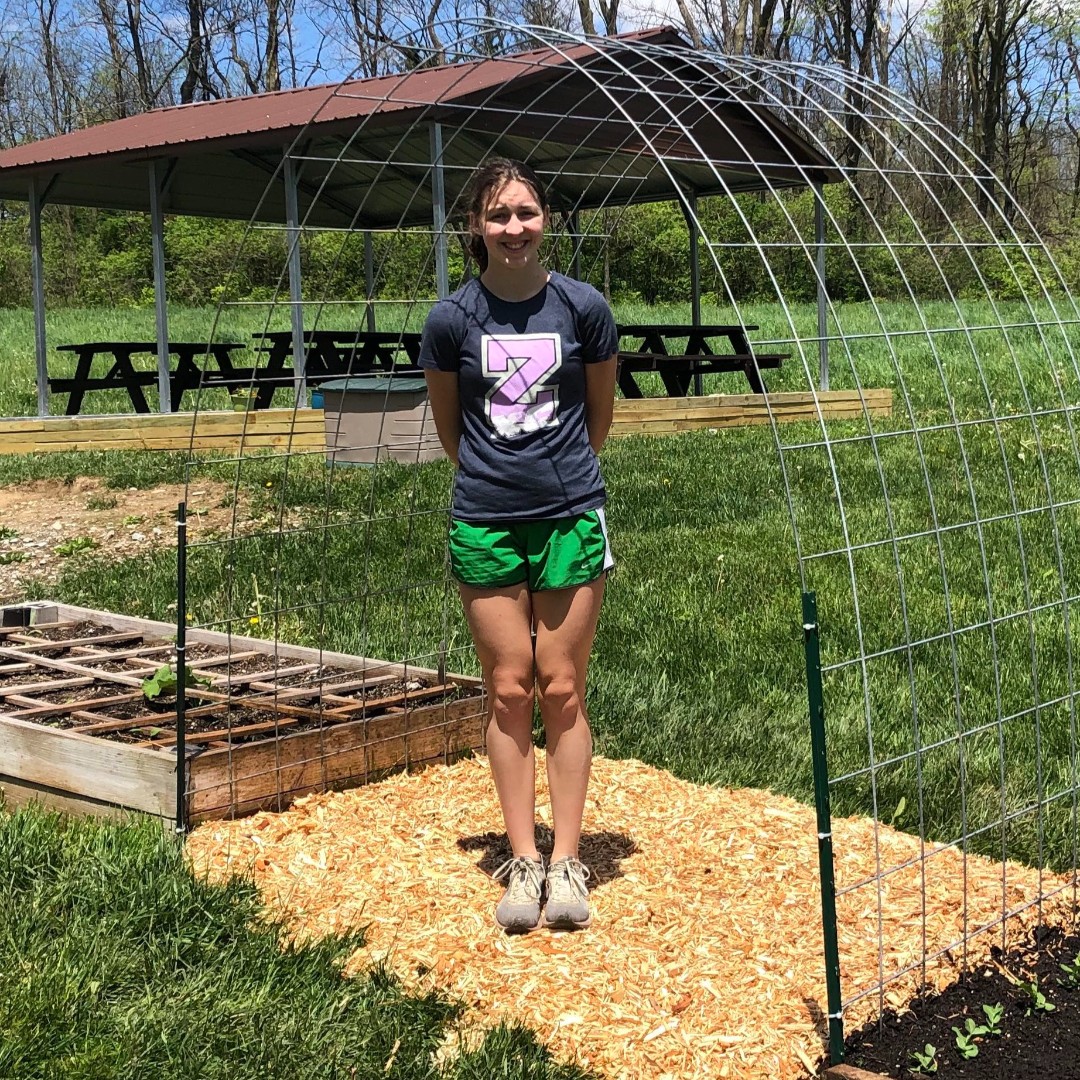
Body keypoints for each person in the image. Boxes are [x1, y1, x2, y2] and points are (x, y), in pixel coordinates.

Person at [419, 158, 619, 933]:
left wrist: (563, 479)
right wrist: (499, 483)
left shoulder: (583, 307)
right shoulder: (451, 320)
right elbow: (451, 430)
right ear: (476, 226)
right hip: (485, 518)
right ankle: (523, 858)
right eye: (498, 215)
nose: (514, 227)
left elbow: (598, 415)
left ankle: (567, 861)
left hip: (570, 516)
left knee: (562, 686)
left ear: (546, 221)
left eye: (527, 212)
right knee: (508, 687)